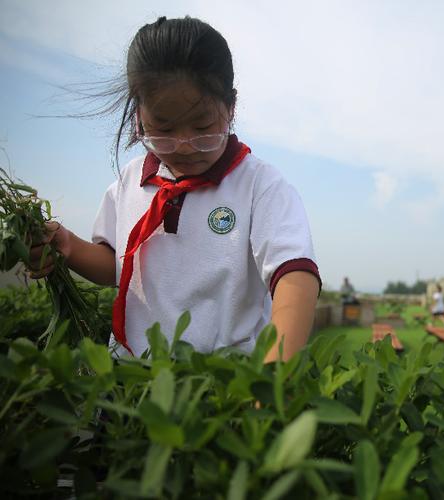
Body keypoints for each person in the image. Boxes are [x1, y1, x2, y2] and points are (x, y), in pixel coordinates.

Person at [27, 16, 321, 361]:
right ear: (139, 116)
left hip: (222, 386)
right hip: (130, 380)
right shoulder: (129, 181)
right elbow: (118, 267)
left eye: (203, 128)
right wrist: (67, 246)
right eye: (163, 130)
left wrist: (275, 376)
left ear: (231, 107)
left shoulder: (258, 185)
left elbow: (294, 275)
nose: (183, 145)